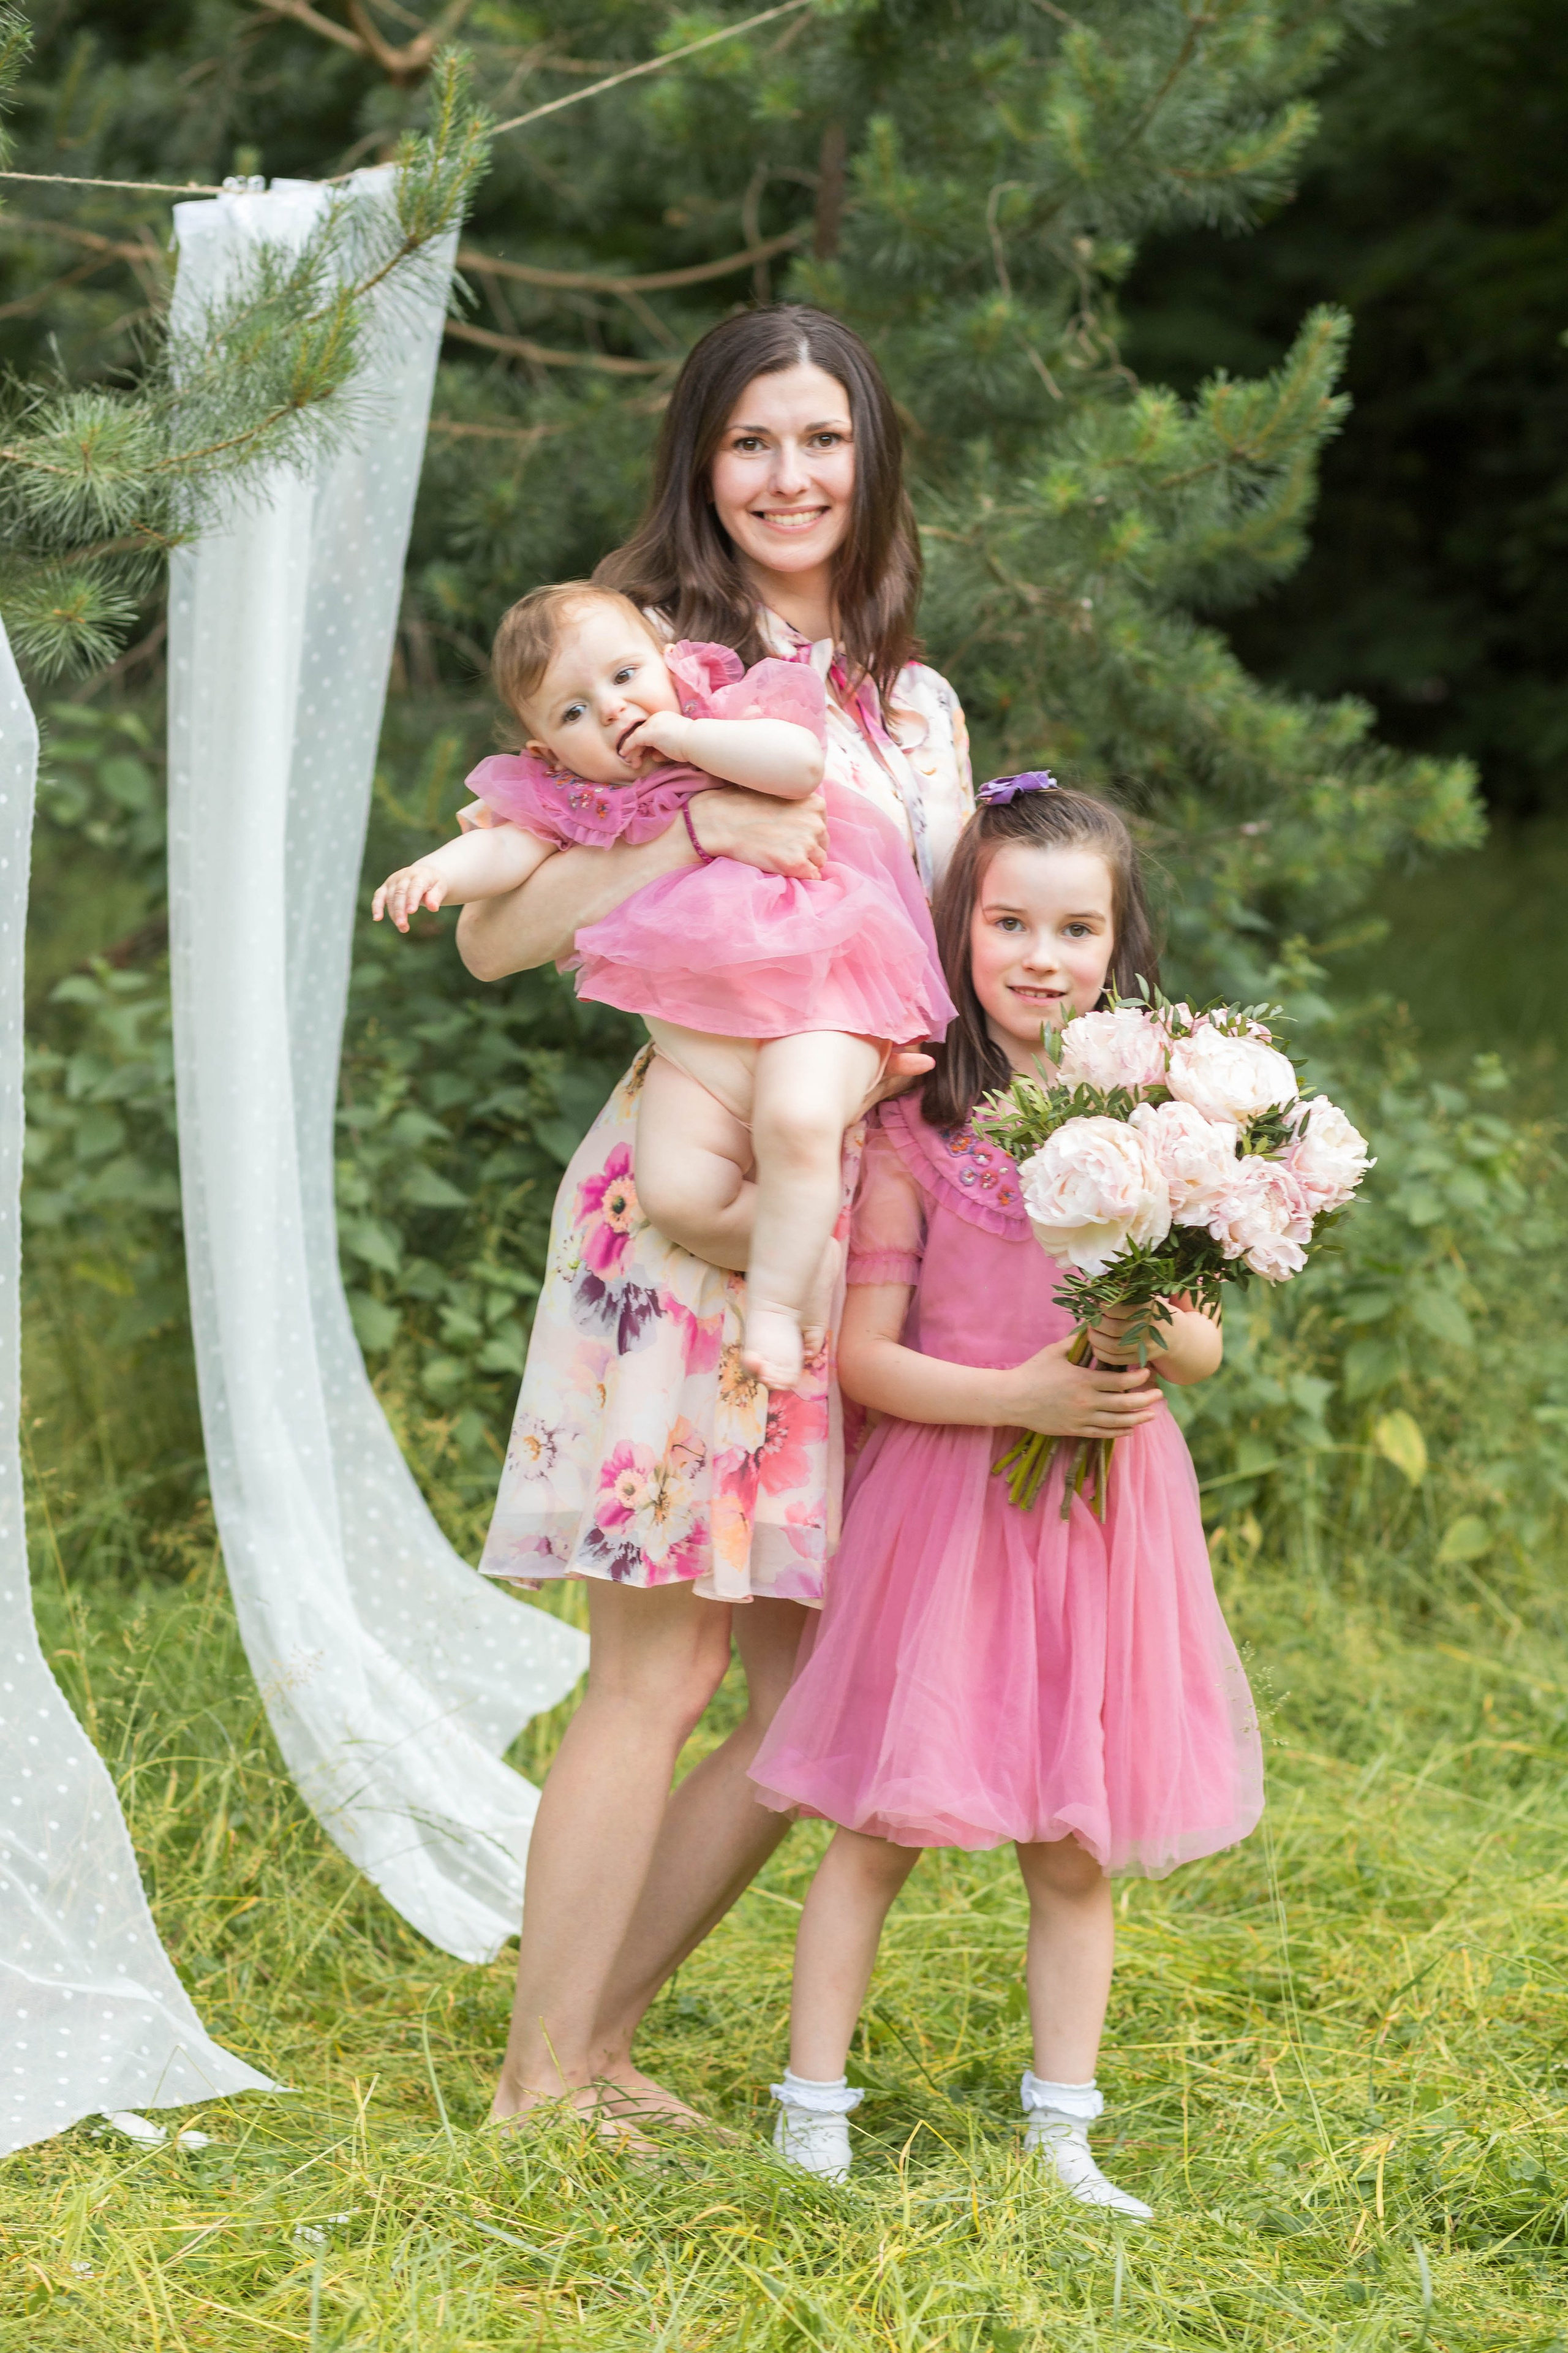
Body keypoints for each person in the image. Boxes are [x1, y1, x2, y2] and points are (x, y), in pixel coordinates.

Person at [452, 305, 974, 2129]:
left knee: (806, 1689)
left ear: (867, 459)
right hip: (675, 1213)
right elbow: (497, 933)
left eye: (822, 439)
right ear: (705, 461)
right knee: (657, 1664)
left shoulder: (913, 706)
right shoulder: (641, 664)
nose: (789, 476)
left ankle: (597, 2038)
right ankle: (539, 2081)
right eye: (754, 442)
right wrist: (684, 833)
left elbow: (956, 958)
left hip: (837, 1199)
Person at [749, 779, 1265, 2213]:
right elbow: (861, 1358)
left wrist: (1134, 1226)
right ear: (959, 928)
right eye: (1008, 921)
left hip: (1103, 1512)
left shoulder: (1159, 1120)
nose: (1041, 955)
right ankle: (811, 2106)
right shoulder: (916, 1125)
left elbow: (1203, 1348)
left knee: (1073, 1838)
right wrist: (1021, 1401)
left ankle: (1061, 2132)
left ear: (1118, 941)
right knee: (881, 1824)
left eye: (1075, 927)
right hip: (947, 1508)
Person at [372, 585, 952, 1389]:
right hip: (701, 1027)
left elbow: (799, 765)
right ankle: (805, 1255)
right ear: (544, 748)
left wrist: (687, 732)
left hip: (815, 975)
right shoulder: (579, 793)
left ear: (666, 659)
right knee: (677, 1193)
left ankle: (780, 1310)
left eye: (623, 676)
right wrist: (435, 870)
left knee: (795, 1117)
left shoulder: (720, 708)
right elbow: (505, 857)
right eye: (572, 712)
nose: (610, 710)